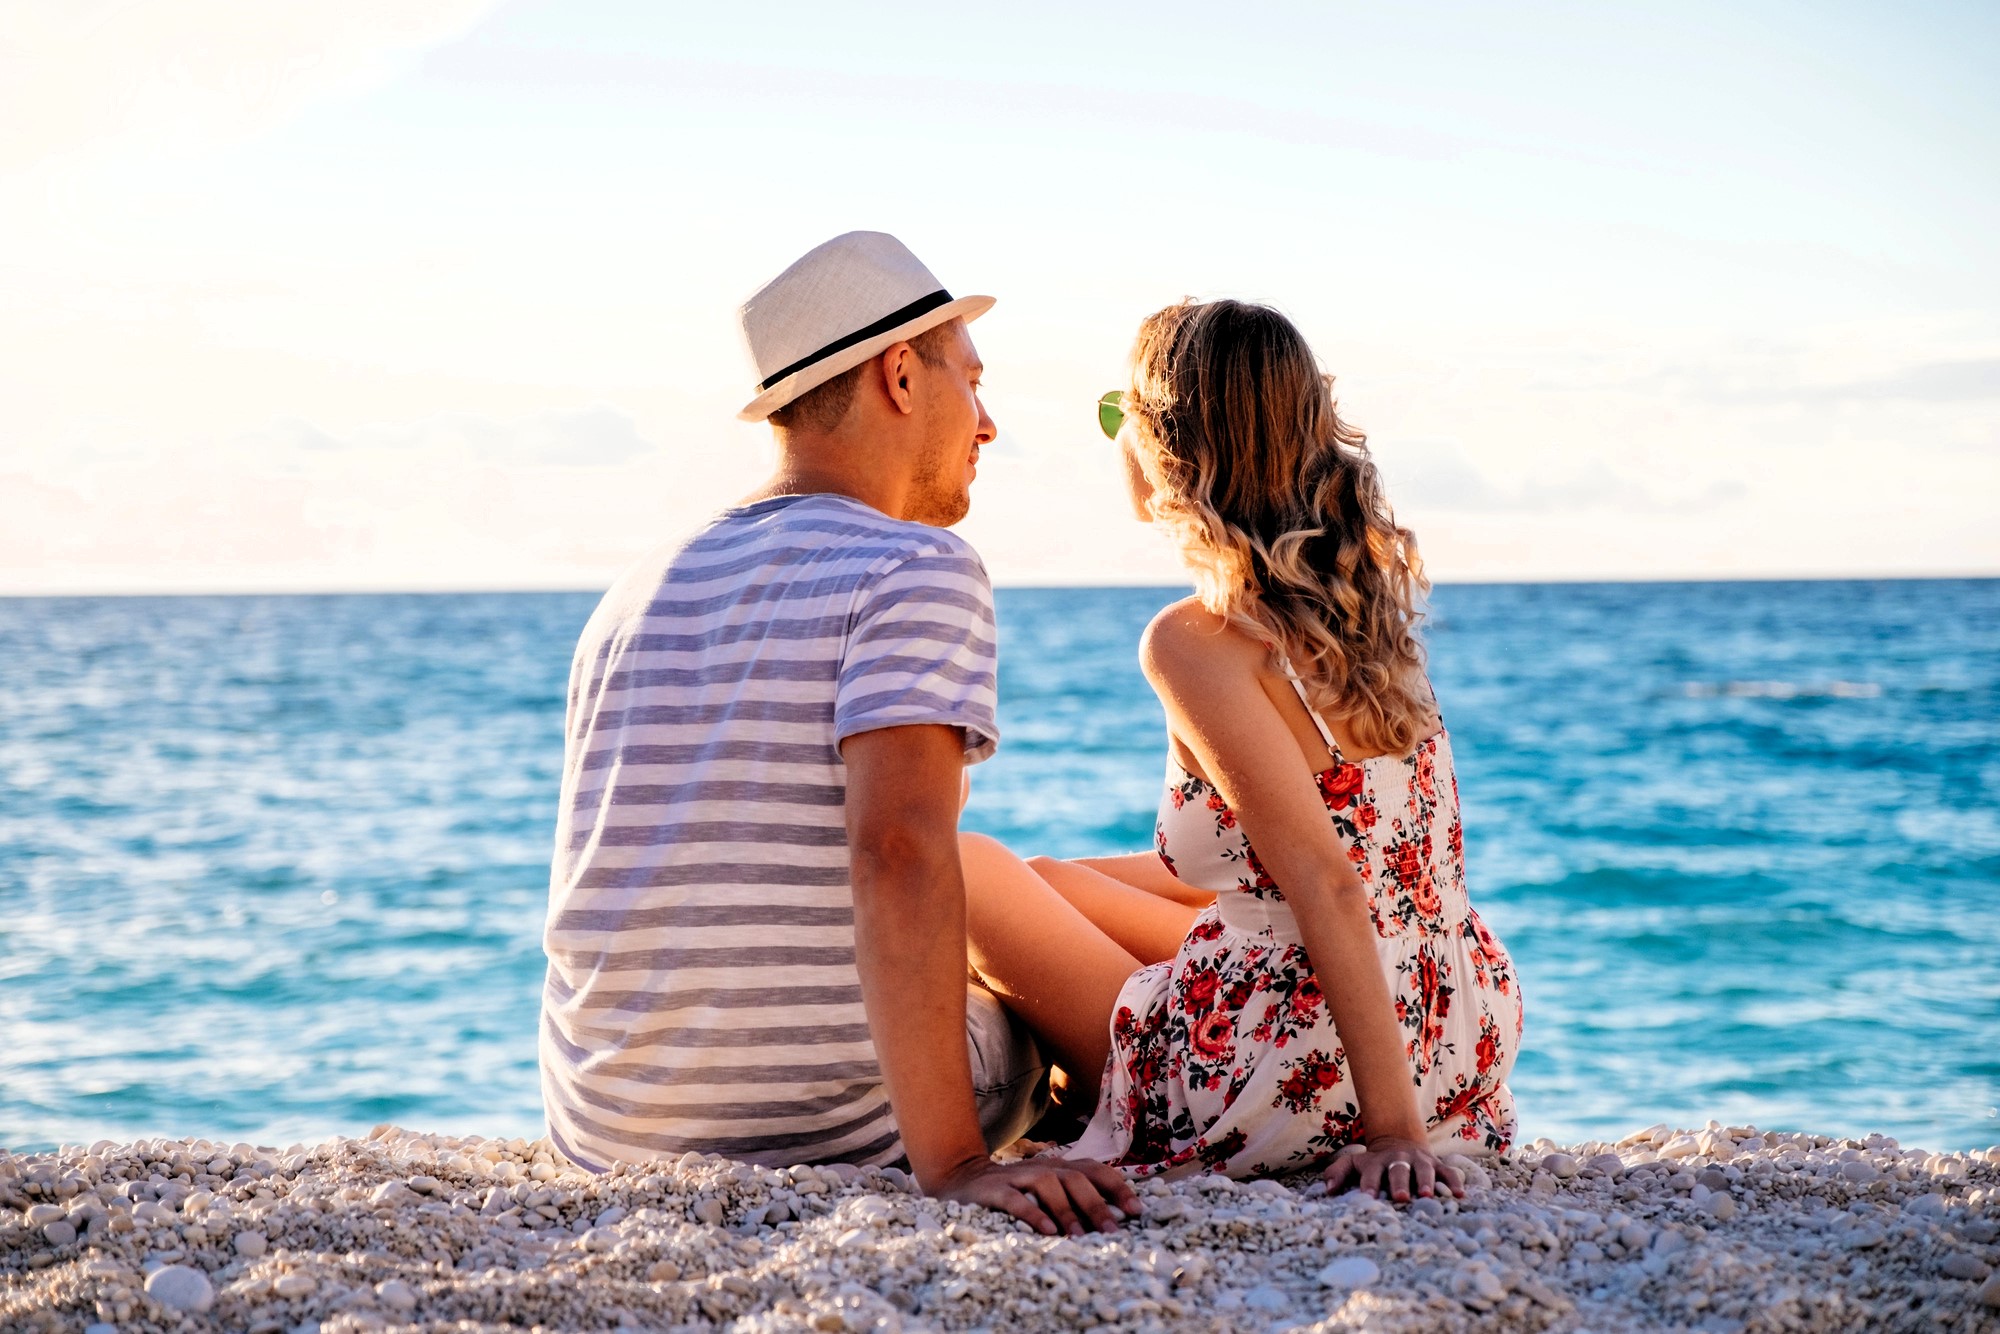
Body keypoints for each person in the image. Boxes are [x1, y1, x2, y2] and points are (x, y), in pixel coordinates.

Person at [540, 231, 1139, 1237]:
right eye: (971, 381)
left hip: (605, 1121)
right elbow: (896, 848)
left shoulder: (632, 590)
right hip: (814, 1120)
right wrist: (950, 1162)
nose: (986, 424)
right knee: (1029, 967)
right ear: (900, 374)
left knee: (1004, 890)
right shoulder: (913, 564)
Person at [959, 299, 1522, 1201]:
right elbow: (1338, 864)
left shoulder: (1195, 641)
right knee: (1049, 878)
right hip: (1455, 1030)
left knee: (968, 870)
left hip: (1310, 1071)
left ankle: (1058, 1096)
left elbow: (1325, 880)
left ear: (1167, 445)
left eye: (1121, 414)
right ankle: (1084, 1077)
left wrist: (1394, 1135)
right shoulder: (1360, 613)